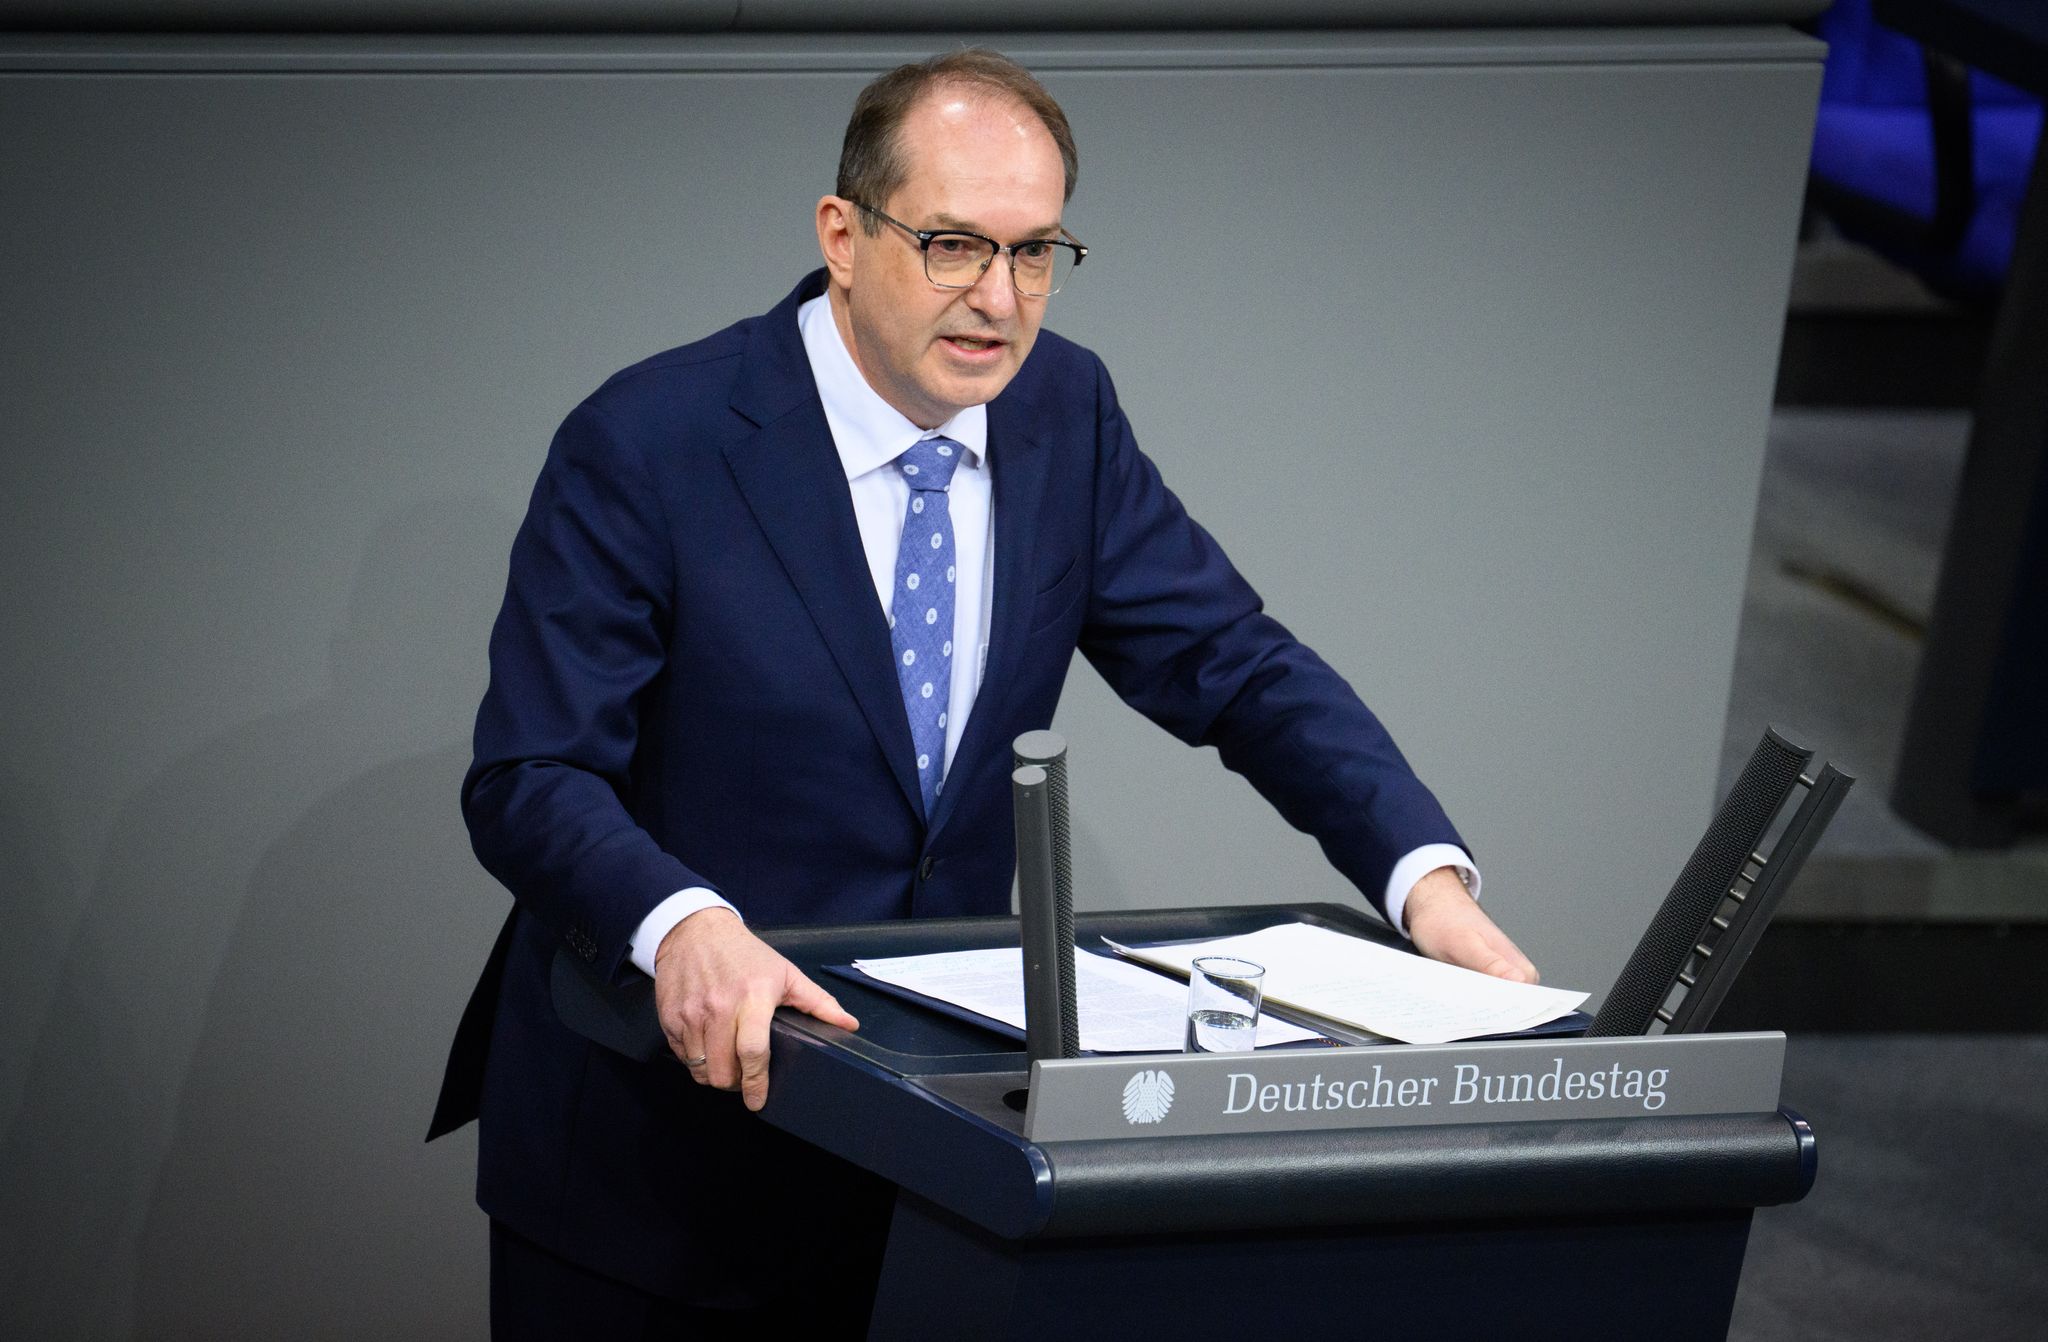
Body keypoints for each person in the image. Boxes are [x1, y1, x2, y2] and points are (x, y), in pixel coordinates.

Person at [432, 48, 1538, 1337]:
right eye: (954, 245)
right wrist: (680, 924)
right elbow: (533, 774)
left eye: (1035, 253)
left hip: (925, 1155)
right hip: (652, 1162)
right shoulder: (651, 439)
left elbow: (1234, 663)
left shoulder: (1065, 412)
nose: (999, 299)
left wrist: (1424, 881)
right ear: (843, 236)